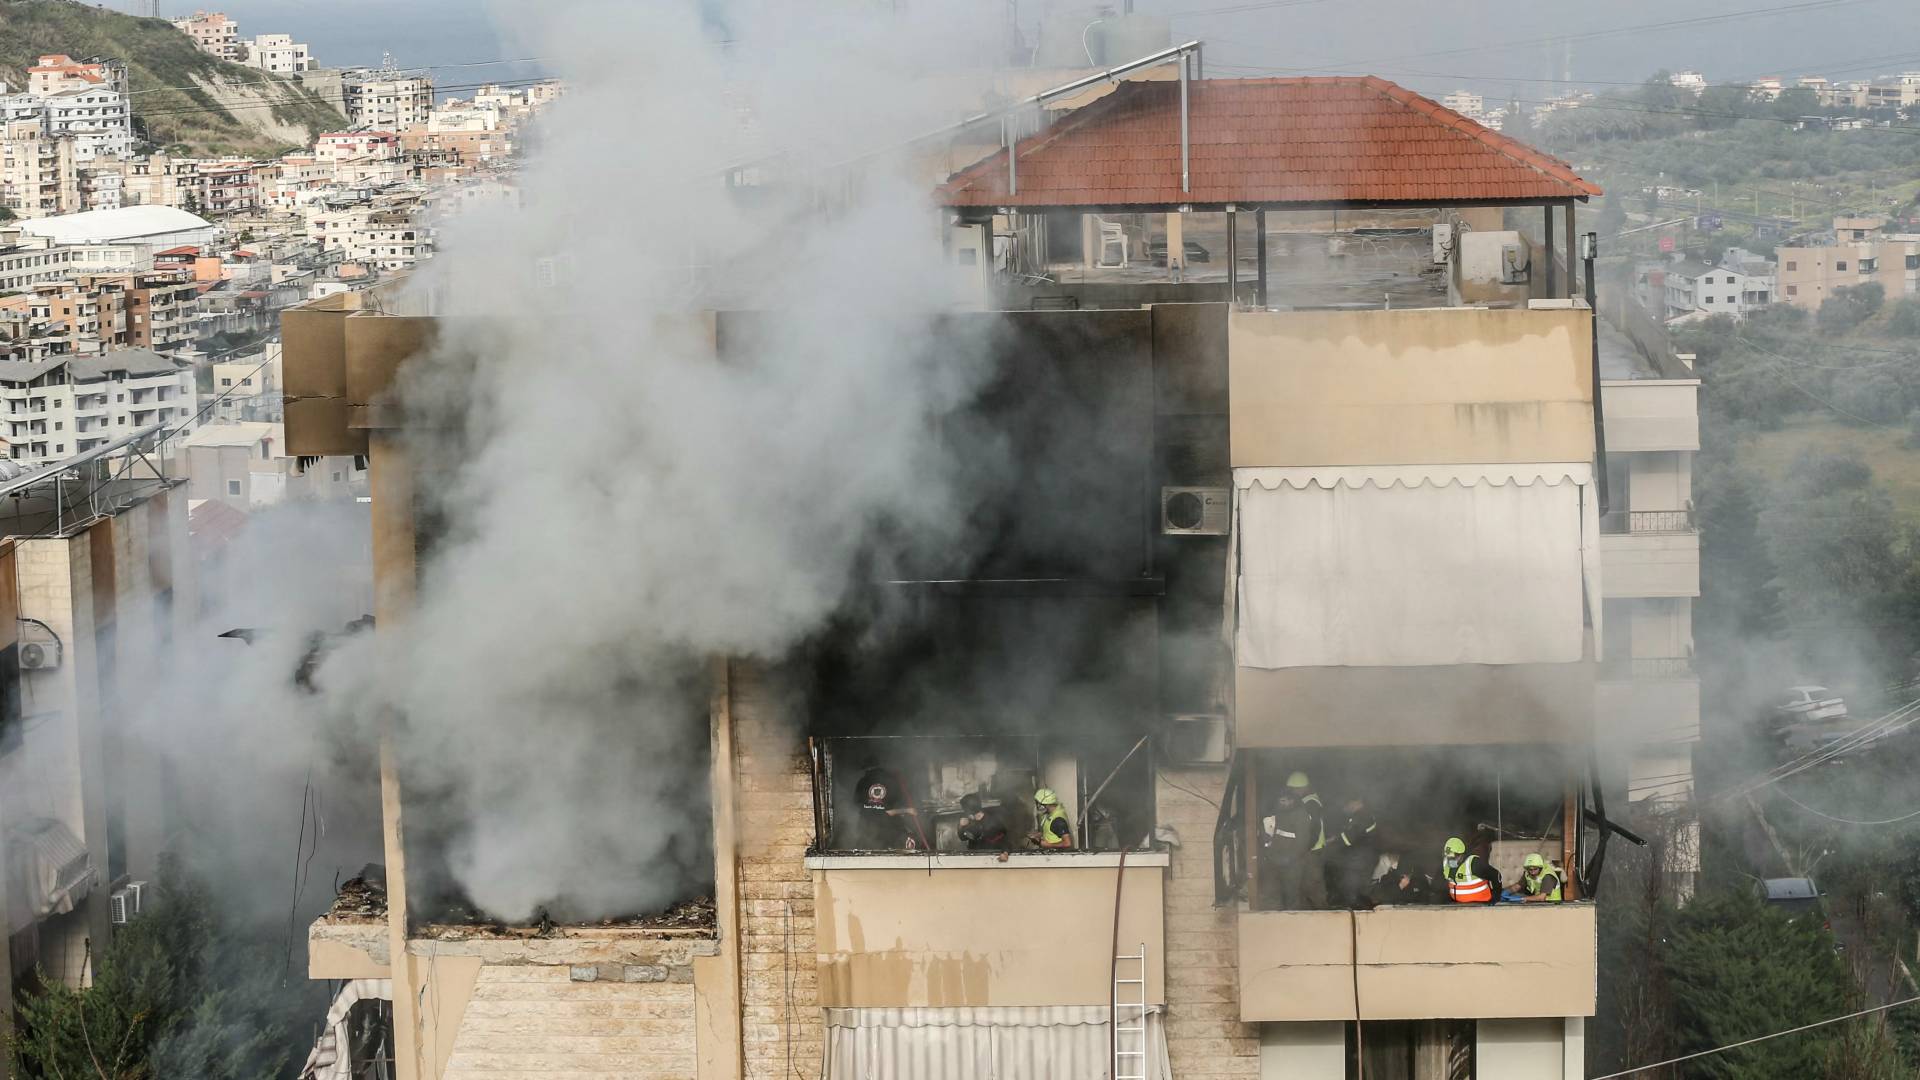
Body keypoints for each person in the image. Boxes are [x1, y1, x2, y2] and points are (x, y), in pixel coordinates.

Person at [1259, 778, 1328, 910]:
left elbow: (1303, 841)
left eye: (1284, 801)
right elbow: (1274, 833)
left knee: (1293, 892)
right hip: (1278, 859)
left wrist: (1290, 858)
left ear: (1292, 800)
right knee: (1274, 891)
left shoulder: (1301, 815)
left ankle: (1294, 917)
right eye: (1280, 801)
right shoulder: (1279, 813)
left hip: (1293, 862)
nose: (1282, 803)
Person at [851, 765, 923, 851]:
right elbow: (889, 812)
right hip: (883, 830)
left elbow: (856, 804)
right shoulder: (889, 783)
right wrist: (908, 810)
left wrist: (869, 808)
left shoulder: (862, 782)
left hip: (865, 829)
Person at [1329, 794, 1379, 908]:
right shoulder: (1361, 815)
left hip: (1361, 859)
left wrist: (1333, 844)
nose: (1347, 806)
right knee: (1356, 888)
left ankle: (1358, 911)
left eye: (1349, 803)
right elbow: (1349, 833)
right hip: (1362, 857)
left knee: (1355, 888)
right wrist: (1336, 838)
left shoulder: (1362, 816)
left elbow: (1350, 837)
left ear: (1357, 802)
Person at [1441, 836, 1502, 903]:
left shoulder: (1473, 864)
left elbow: (1496, 875)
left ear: (1461, 855)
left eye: (1453, 858)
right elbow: (1439, 884)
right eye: (1448, 857)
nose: (1450, 861)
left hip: (1480, 905)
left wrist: (1496, 898)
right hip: (1458, 905)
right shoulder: (1445, 863)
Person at [957, 793, 1012, 860]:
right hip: (974, 857)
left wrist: (1005, 853)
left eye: (965, 810)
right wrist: (960, 827)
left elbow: (1005, 839)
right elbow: (963, 837)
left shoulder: (992, 821)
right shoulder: (970, 821)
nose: (964, 812)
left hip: (991, 858)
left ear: (969, 810)